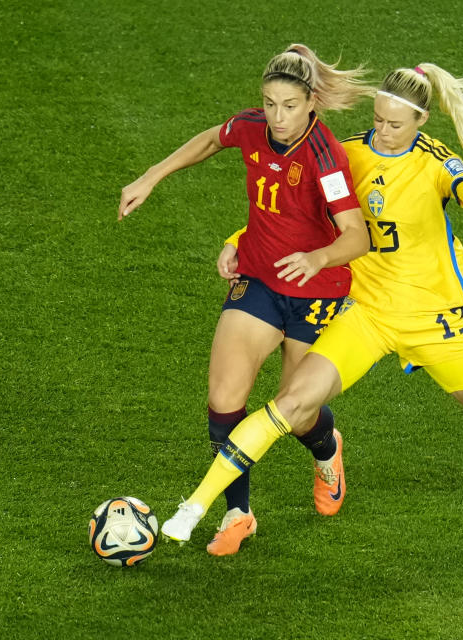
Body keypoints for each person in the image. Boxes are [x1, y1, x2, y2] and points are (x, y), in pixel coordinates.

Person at [160, 62, 463, 546]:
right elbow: (302, 217)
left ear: (421, 122)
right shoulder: (348, 154)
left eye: (395, 124)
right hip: (368, 316)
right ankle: (195, 508)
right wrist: (239, 237)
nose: (383, 130)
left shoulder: (437, 162)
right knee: (292, 402)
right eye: (378, 118)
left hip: (435, 321)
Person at [118, 45, 371, 555]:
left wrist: (317, 259)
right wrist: (151, 176)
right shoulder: (254, 126)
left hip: (315, 294)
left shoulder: (326, 157)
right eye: (270, 103)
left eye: (289, 106)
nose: (277, 117)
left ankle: (327, 449)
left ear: (312, 102)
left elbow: (357, 237)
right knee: (225, 399)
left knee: (298, 413)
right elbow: (212, 139)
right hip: (257, 279)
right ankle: (238, 512)